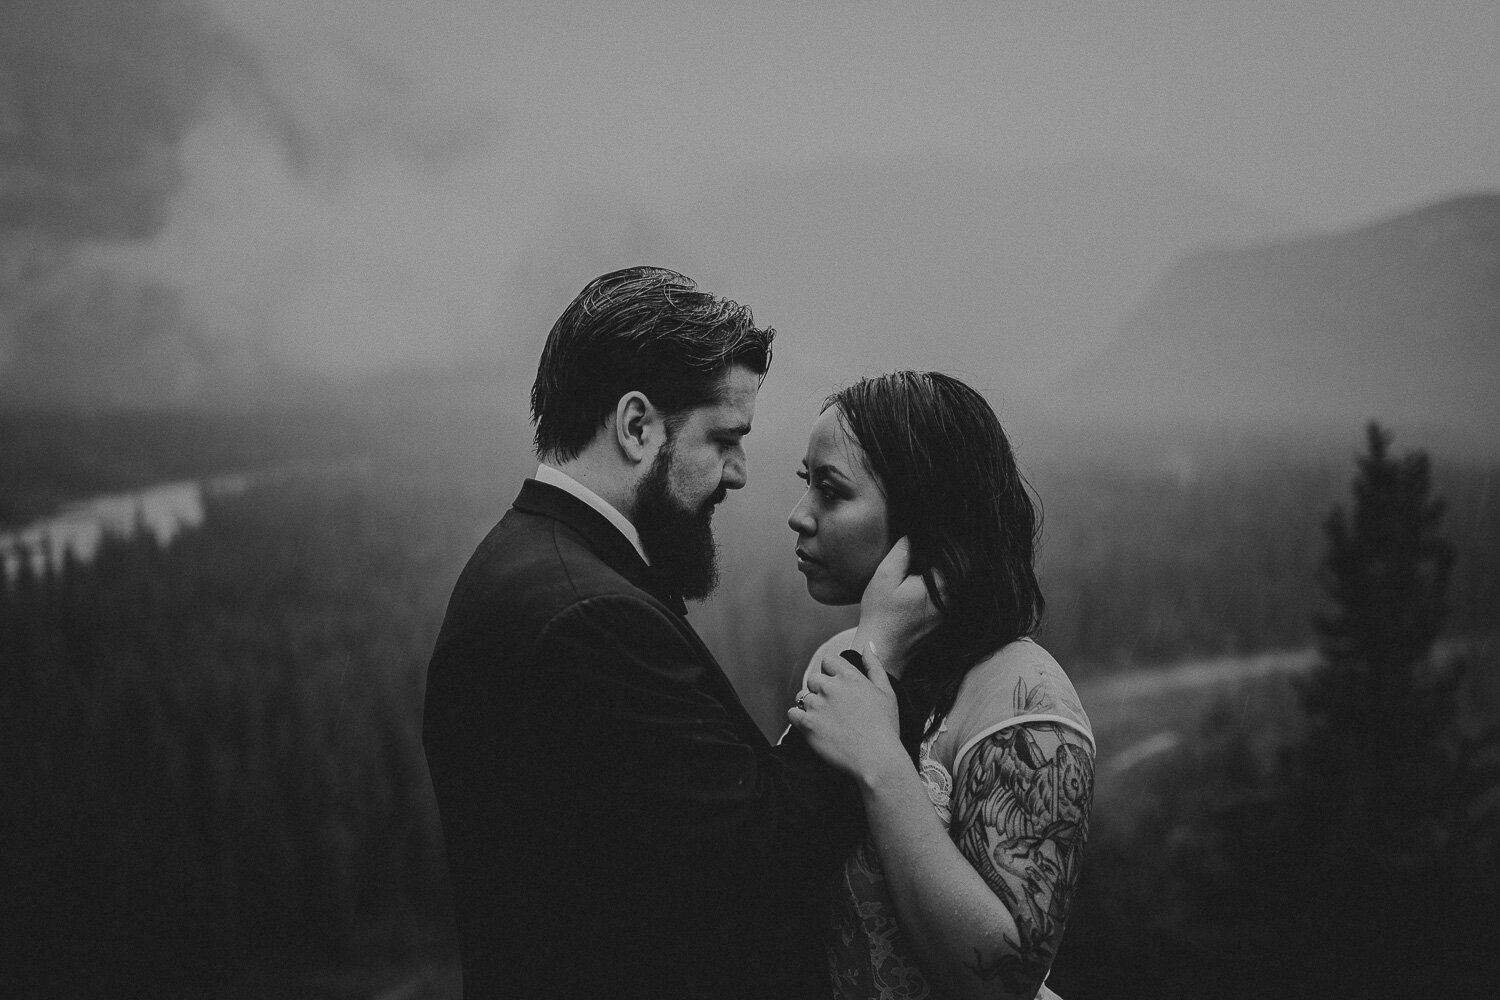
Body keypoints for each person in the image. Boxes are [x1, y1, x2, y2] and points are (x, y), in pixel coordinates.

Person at [421, 267, 937, 1000]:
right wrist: (877, 647)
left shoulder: (530, 561)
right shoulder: (591, 620)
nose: (739, 474)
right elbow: (761, 862)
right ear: (637, 427)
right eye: (724, 438)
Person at [785, 371, 1095, 1000]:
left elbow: (1006, 982)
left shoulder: (1027, 703)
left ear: (924, 518)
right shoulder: (841, 657)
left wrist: (881, 760)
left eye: (832, 491)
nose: (799, 516)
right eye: (805, 484)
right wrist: (873, 647)